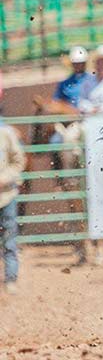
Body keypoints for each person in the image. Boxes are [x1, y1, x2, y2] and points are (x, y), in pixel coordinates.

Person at [0, 108, 25, 294]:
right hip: (6, 193)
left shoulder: (6, 133)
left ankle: (11, 279)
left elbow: (19, 161)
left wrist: (5, 178)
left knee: (9, 239)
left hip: (6, 194)